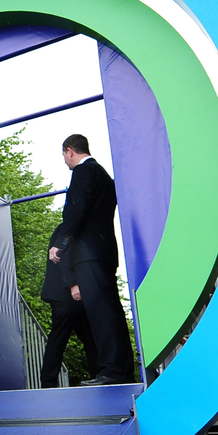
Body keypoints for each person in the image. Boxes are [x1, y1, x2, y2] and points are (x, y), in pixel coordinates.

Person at [50, 134, 134, 385]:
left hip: (88, 255)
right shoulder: (105, 177)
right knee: (111, 311)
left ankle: (111, 371)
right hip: (104, 252)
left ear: (69, 151)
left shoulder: (84, 172)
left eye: (64, 157)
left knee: (100, 312)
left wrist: (60, 244)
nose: (65, 162)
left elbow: (76, 210)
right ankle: (121, 369)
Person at [39, 227, 99, 388]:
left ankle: (99, 375)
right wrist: (72, 283)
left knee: (85, 338)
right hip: (64, 295)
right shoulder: (67, 230)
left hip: (67, 295)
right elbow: (60, 257)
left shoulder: (67, 229)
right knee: (61, 338)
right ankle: (48, 383)